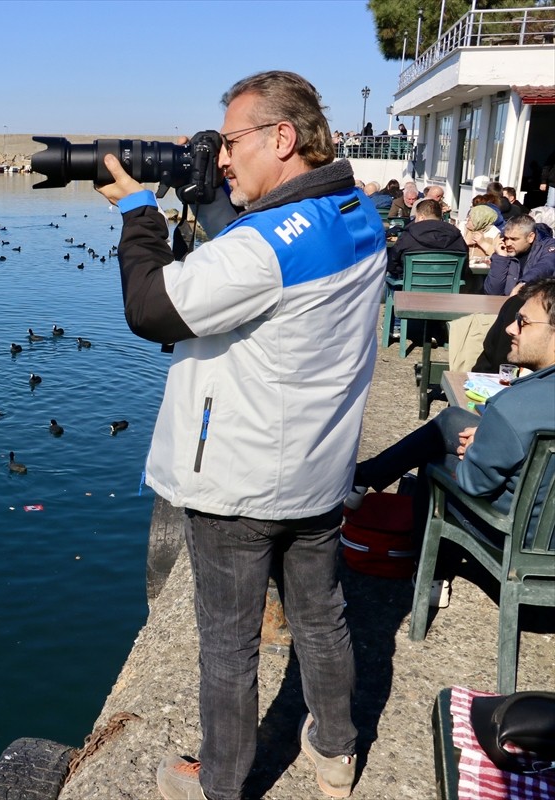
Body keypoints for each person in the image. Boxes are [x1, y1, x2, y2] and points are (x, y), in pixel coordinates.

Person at [96, 70, 383, 800]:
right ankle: (335, 753)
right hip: (318, 469)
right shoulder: (357, 212)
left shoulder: (261, 248)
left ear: (281, 138)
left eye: (231, 143)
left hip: (241, 481)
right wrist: (208, 201)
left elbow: (153, 308)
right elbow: (270, 254)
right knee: (322, 619)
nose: (221, 159)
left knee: (227, 646)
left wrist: (138, 214)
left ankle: (220, 785)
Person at [350, 278, 555, 541]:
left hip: (520, 533)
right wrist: (491, 436)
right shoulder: (523, 407)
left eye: (523, 322)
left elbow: (474, 483)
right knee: (449, 422)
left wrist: (475, 449)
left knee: (435, 460)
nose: (509, 329)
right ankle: (364, 476)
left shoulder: (514, 406)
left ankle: (428, 571)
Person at [386, 198, 466, 279]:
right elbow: (464, 264)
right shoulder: (456, 235)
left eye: (415, 217)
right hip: (449, 285)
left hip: (411, 285)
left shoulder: (408, 235)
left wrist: (403, 272)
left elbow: (392, 263)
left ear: (421, 217)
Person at [484, 215, 555, 296]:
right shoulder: (502, 248)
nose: (508, 243)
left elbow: (546, 265)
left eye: (514, 239)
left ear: (530, 237)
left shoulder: (548, 246)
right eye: (506, 238)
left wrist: (524, 284)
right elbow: (492, 292)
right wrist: (501, 258)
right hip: (506, 304)